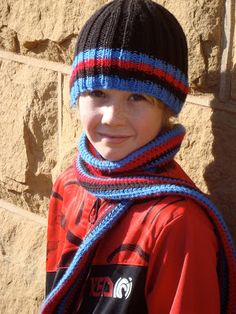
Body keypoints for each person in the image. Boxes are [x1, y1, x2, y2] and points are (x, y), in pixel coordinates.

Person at [40, 0, 236, 313]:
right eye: (98, 93)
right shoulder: (70, 184)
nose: (111, 117)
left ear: (166, 108)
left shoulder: (178, 225)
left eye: (136, 97)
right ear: (76, 95)